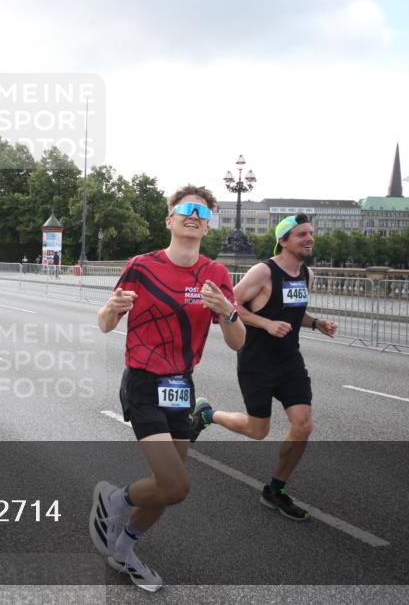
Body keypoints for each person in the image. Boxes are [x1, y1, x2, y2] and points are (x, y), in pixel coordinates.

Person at [89, 185, 245, 592]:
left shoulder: (216, 274)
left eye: (202, 211)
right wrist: (110, 310)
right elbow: (106, 324)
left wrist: (227, 312)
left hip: (181, 383)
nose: (194, 215)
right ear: (170, 220)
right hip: (143, 380)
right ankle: (113, 500)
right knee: (176, 484)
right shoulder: (142, 266)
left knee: (167, 489)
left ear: (208, 226)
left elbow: (238, 341)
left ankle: (124, 551)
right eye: (185, 209)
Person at [191, 213, 337, 521]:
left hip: (290, 361)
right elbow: (232, 306)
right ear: (283, 241)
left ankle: (275, 489)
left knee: (303, 425)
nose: (309, 238)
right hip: (256, 361)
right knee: (258, 431)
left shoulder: (306, 274)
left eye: (311, 233)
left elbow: (294, 312)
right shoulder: (263, 271)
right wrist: (266, 324)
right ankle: (207, 414)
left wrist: (316, 323)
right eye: (302, 234)